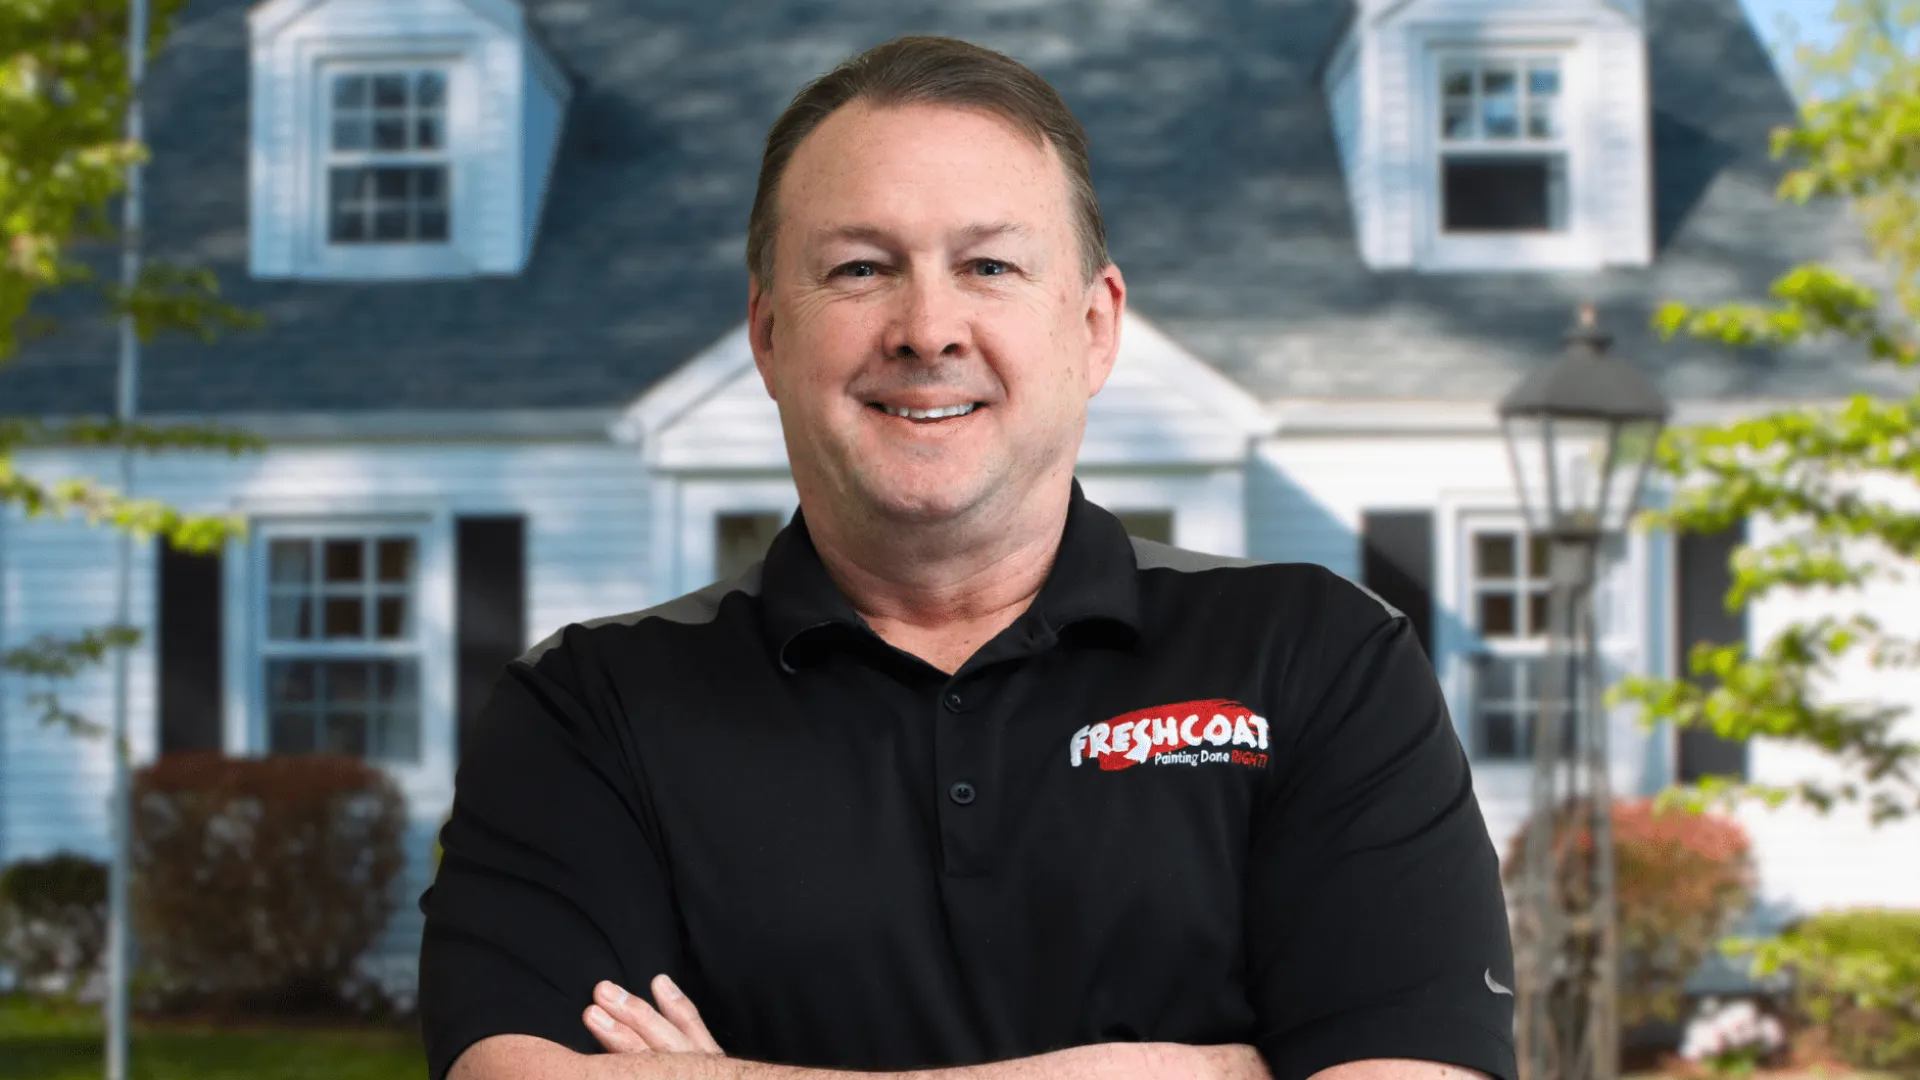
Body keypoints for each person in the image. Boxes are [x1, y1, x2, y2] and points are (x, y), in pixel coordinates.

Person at [419, 34, 1517, 1080]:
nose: (927, 327)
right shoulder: (587, 712)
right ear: (766, 335)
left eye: (989, 264)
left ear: (1094, 328)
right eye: (859, 269)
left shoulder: (1320, 662)